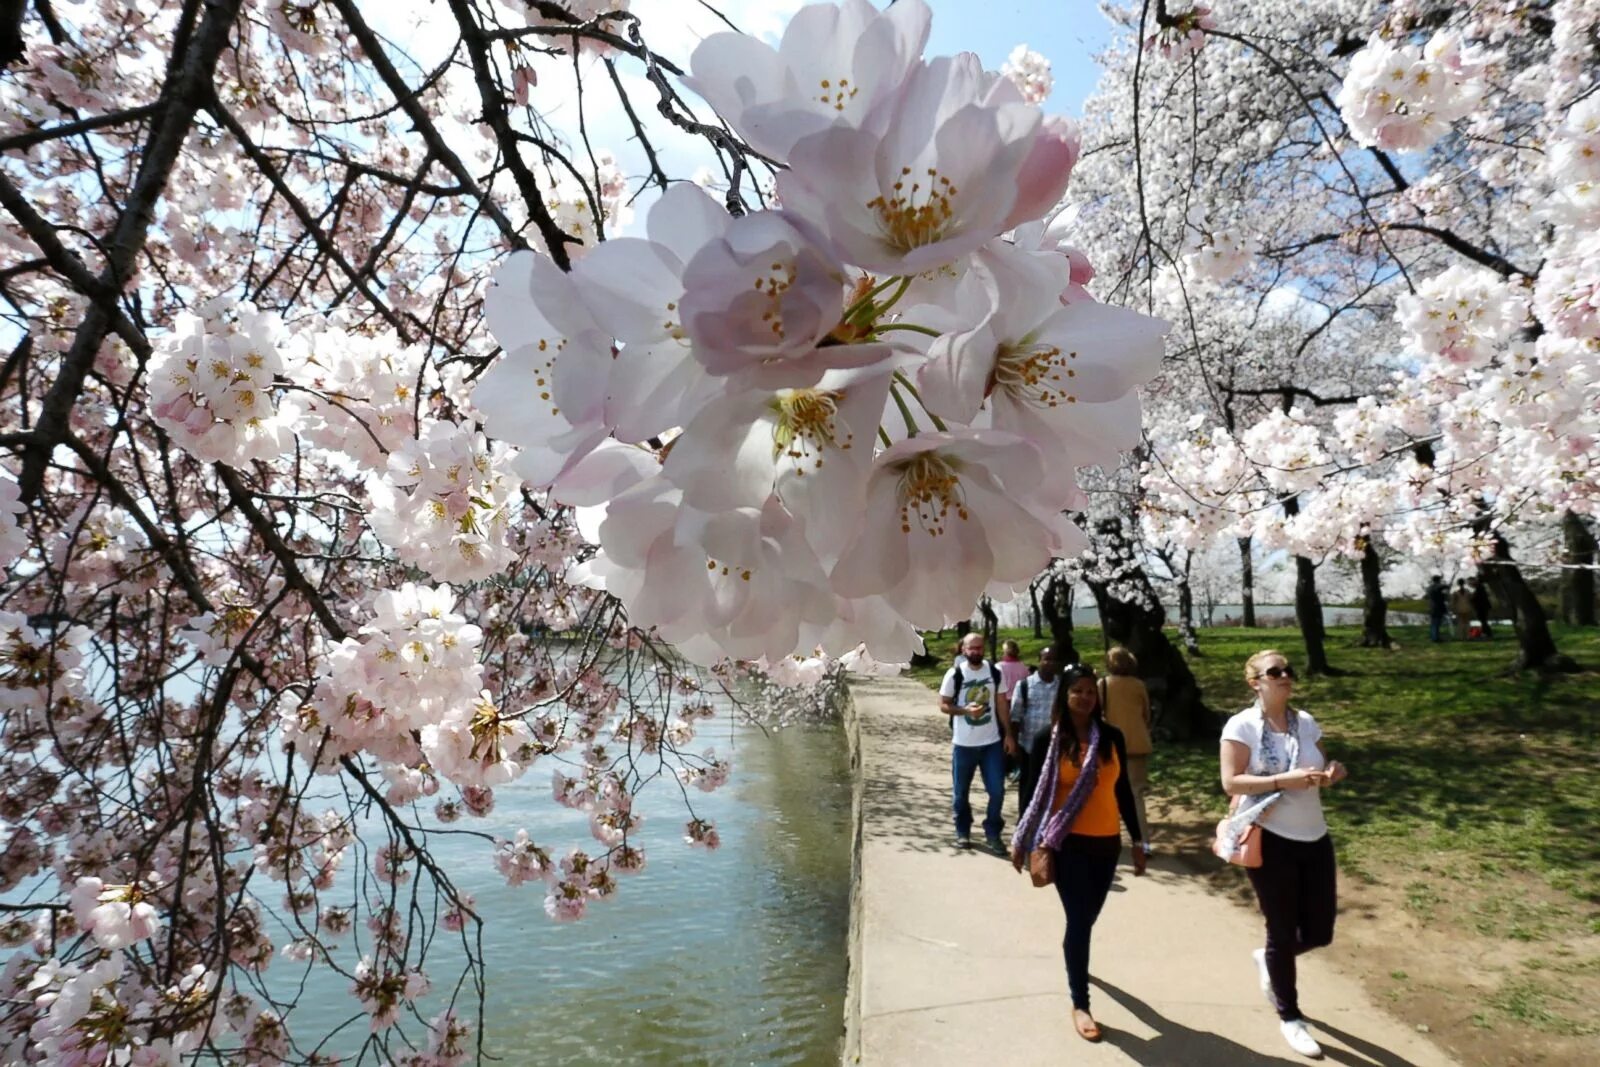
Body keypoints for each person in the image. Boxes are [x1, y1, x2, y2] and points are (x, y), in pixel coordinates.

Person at [1220, 650, 1349, 1059]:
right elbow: (1230, 782)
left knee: (1319, 932)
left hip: (1315, 835)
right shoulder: (1241, 726)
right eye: (1274, 672)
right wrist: (1282, 779)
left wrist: (1330, 774)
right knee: (1282, 927)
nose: (1285, 676)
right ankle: (1290, 1016)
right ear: (1254, 682)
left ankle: (1270, 960)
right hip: (1270, 836)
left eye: (1288, 670)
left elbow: (1319, 762)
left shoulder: (1306, 722)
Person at [1010, 663, 1146, 1042]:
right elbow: (1031, 796)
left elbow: (1122, 793)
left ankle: (1076, 956)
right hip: (1065, 844)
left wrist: (1138, 840)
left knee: (1087, 917)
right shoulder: (1045, 740)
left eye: (1090, 691)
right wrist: (1023, 840)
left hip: (1106, 845)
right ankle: (1080, 1001)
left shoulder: (1112, 737)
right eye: (1077, 690)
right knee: (1080, 920)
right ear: (1064, 695)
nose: (1085, 697)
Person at [939, 632, 1016, 852]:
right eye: (971, 648)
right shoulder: (954, 674)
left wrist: (1008, 734)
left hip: (991, 743)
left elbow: (1001, 703)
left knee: (997, 791)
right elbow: (943, 704)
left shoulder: (995, 672)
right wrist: (964, 711)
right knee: (960, 792)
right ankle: (962, 831)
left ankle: (993, 832)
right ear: (963, 649)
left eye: (979, 648)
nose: (976, 652)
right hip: (963, 744)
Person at [1100, 646, 1153, 861]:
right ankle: (1143, 842)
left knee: (1109, 791)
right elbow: (1146, 714)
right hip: (1138, 744)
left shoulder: (1103, 684)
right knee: (1136, 795)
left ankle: (1109, 837)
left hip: (1111, 745)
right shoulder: (1139, 685)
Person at [1001, 644, 1061, 818]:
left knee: (1052, 792)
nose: (1050, 663)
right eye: (1047, 659)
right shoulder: (1025, 685)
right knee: (1028, 790)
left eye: (1054, 660)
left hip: (1056, 748)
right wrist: (1014, 745)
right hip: (1029, 748)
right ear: (1039, 660)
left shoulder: (1062, 686)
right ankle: (1024, 826)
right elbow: (1016, 717)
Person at [1424, 575, 1448, 642]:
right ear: (1438, 580)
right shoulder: (1437, 586)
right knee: (1436, 623)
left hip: (1431, 606)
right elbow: (1445, 586)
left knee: (1433, 623)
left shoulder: (1429, 588)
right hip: (1438, 607)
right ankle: (1435, 638)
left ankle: (1434, 637)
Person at [1469, 575, 1493, 639]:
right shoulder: (1483, 587)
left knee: (1483, 620)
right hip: (1484, 606)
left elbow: (1477, 598)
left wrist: (1471, 599)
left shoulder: (1479, 588)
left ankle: (1487, 633)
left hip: (1481, 607)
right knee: (1483, 620)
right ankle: (1486, 633)